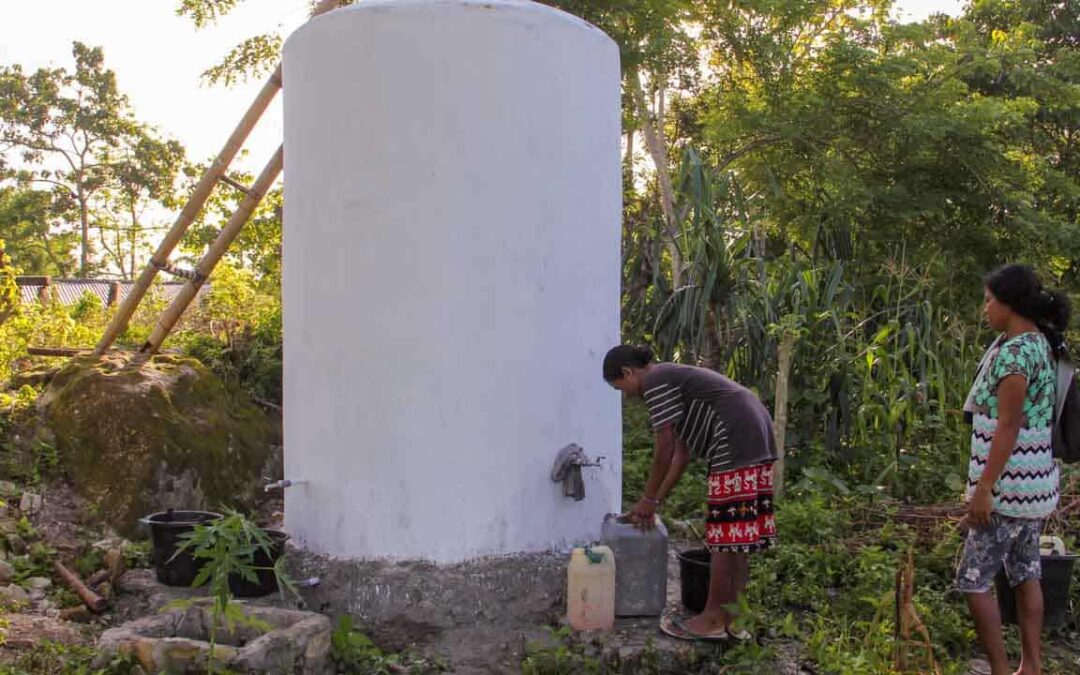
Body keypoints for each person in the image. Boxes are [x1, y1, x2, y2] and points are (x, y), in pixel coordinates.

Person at [602, 344, 778, 640]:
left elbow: (664, 448)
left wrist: (646, 499)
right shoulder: (674, 382)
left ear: (627, 372)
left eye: (619, 386)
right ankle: (734, 620)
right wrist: (653, 502)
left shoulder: (655, 380)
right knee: (736, 534)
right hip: (753, 427)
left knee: (725, 535)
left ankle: (711, 620)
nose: (625, 394)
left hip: (735, 432)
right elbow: (680, 457)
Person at [957, 264, 1070, 675]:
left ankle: (1002, 671)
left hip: (1008, 488)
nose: (985, 309)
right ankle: (1032, 666)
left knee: (972, 580)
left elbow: (1008, 424)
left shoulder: (1014, 353)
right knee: (1026, 573)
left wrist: (985, 488)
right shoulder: (1042, 344)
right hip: (1036, 483)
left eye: (989, 301)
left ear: (1010, 304)